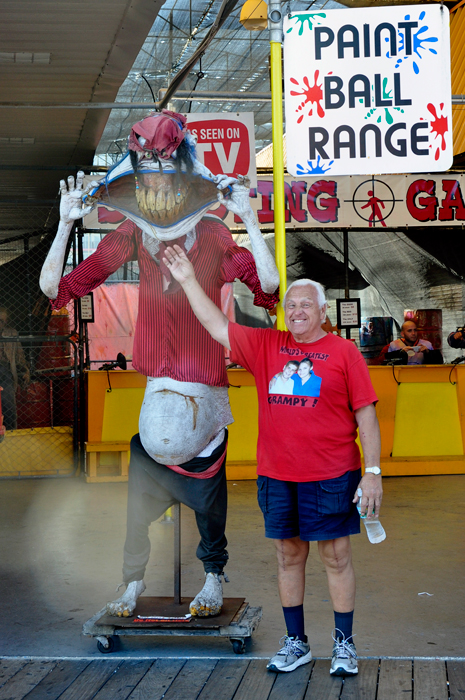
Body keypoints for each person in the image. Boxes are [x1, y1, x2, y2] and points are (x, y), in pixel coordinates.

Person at [40, 110, 279, 619]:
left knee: (210, 508)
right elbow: (58, 289)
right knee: (136, 508)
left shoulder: (213, 234)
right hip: (157, 398)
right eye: (145, 165)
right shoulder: (130, 235)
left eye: (162, 162)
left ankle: (213, 575)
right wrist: (64, 225)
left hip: (204, 394)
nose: (154, 175)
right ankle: (131, 582)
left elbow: (270, 287)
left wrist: (252, 221)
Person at [162, 244, 382, 677]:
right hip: (278, 477)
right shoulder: (266, 345)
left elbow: (366, 414)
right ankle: (296, 643)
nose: (297, 310)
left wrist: (371, 473)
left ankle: (344, 645)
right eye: (291, 304)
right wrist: (188, 279)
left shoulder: (344, 353)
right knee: (287, 557)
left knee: (337, 558)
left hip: (333, 476)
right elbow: (216, 325)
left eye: (306, 305)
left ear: (323, 312)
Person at [0, 306, 30, 430]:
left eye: (3, 321)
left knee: (9, 405)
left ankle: (11, 431)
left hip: (6, 370)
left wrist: (25, 370)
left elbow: (19, 355)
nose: (1, 324)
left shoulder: (11, 333)